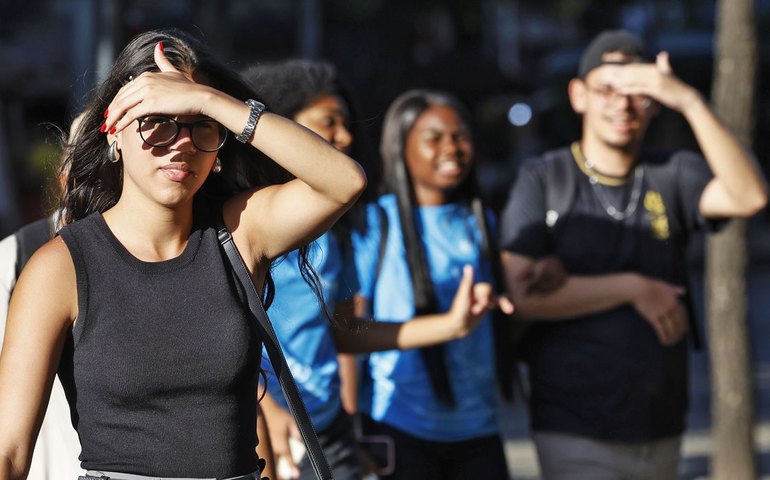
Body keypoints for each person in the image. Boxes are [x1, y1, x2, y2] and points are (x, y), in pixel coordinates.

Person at [0, 27, 367, 480]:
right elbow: (10, 451)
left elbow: (344, 181)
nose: (182, 142)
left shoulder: (239, 233)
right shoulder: (59, 267)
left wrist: (213, 101)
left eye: (198, 124)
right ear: (115, 134)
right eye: (158, 121)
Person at [499, 29, 768, 479]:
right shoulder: (544, 178)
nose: (621, 105)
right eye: (606, 90)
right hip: (574, 427)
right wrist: (632, 288)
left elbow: (748, 196)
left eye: (637, 93)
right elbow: (521, 294)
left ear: (654, 101)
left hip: (660, 423)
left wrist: (689, 100)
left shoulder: (673, 172)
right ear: (578, 95)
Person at [242, 61, 511, 480]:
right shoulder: (243, 219)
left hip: (327, 428)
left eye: (346, 123)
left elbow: (344, 334)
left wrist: (452, 325)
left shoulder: (336, 230)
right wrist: (265, 409)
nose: (346, 136)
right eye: (329, 122)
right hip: (264, 428)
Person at [351, 89, 515, 480]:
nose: (453, 148)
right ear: (400, 145)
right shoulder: (376, 224)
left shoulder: (480, 221)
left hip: (479, 425)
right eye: (435, 137)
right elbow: (349, 333)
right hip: (400, 424)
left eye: (460, 136)